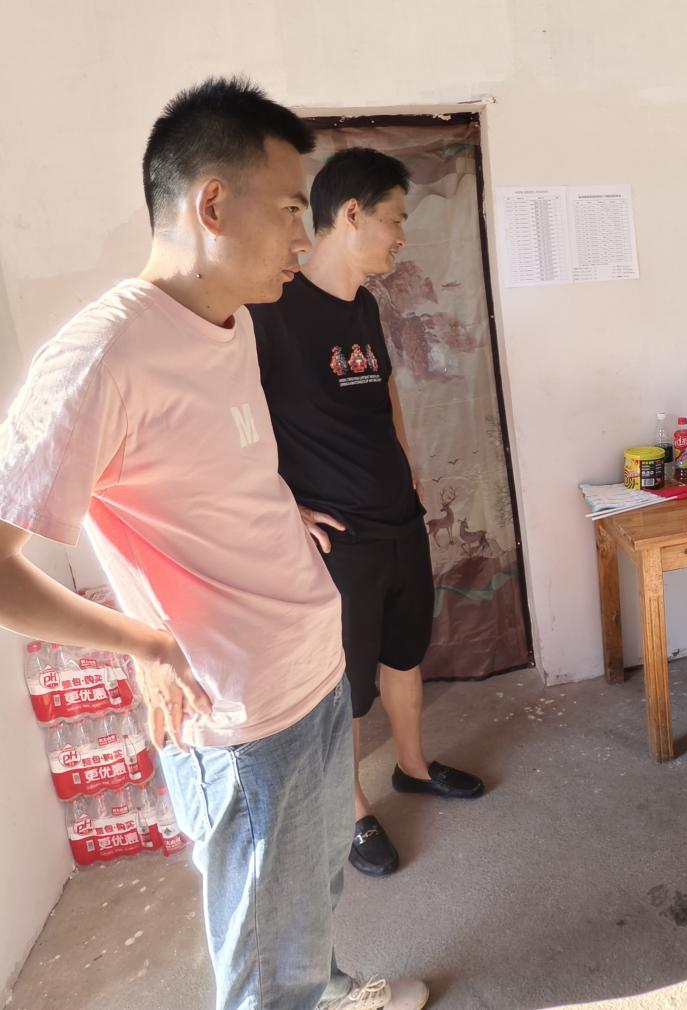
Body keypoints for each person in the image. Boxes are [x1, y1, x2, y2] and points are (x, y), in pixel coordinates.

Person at [0, 78, 426, 1010]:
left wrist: (280, 511)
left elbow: (216, 469)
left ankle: (328, 989)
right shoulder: (102, 355)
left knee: (313, 892)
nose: (304, 237)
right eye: (290, 210)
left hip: (311, 668)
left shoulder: (231, 325)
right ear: (212, 205)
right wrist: (144, 644)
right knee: (264, 954)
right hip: (237, 714)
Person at [249, 147, 484, 878]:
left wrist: (408, 471)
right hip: (338, 536)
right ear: (351, 215)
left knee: (405, 654)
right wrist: (284, 508)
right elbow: (235, 423)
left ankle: (412, 766)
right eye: (394, 219)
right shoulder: (270, 307)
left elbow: (382, 397)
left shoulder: (364, 305)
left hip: (397, 516)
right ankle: (351, 810)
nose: (401, 236)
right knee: (347, 688)